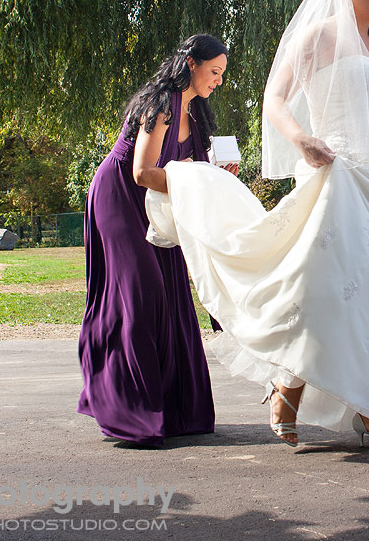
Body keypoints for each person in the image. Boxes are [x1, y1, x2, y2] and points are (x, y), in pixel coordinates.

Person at [143, 0, 369, 450]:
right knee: (326, 289)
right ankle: (324, 396)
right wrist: (301, 139)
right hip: (336, 173)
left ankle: (342, 402)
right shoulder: (318, 36)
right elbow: (274, 99)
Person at [78, 34, 236, 446]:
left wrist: (217, 175)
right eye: (214, 71)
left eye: (222, 73)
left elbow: (184, 170)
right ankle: (128, 410)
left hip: (161, 209)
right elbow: (143, 171)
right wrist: (199, 177)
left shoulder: (197, 114)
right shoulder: (160, 105)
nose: (218, 80)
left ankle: (178, 412)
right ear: (190, 65)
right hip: (120, 198)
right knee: (140, 292)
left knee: (172, 296)